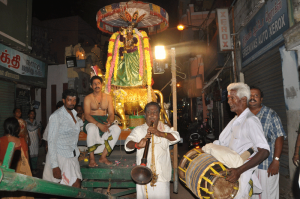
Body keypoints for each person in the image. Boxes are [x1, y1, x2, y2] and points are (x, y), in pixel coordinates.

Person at [212, 82, 270, 199]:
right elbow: (223, 143)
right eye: (228, 98)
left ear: (243, 99)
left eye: (232, 98)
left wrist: (239, 171)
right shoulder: (236, 120)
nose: (228, 102)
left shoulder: (250, 121)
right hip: (232, 173)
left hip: (241, 176)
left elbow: (264, 151)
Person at [125, 102, 180, 199]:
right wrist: (137, 144)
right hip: (143, 174)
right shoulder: (138, 130)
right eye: (149, 112)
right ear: (145, 115)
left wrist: (160, 133)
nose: (152, 114)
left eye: (155, 112)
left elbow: (177, 137)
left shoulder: (164, 128)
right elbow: (127, 144)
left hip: (162, 175)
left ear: (159, 115)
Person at [249, 86, 286, 199]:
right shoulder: (243, 116)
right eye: (250, 95)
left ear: (261, 99)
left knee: (268, 195)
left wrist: (276, 160)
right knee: (251, 195)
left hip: (266, 165)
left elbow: (279, 136)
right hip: (248, 165)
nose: (253, 98)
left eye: (256, 96)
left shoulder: (270, 114)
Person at [47, 89, 82, 187]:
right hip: (60, 156)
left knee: (76, 185)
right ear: (63, 100)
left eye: (74, 100)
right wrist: (55, 166)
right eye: (69, 100)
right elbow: (51, 141)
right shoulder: (56, 116)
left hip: (73, 155)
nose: (72, 103)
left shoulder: (74, 114)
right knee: (59, 190)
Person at [83, 76, 121, 167]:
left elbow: (111, 113)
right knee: (92, 128)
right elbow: (87, 115)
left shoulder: (108, 97)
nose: (97, 85)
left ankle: (103, 157)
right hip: (91, 121)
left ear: (102, 85)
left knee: (117, 129)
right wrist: (98, 125)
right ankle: (92, 158)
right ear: (91, 86)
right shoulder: (88, 98)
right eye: (94, 84)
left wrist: (110, 122)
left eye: (98, 83)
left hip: (104, 120)